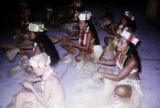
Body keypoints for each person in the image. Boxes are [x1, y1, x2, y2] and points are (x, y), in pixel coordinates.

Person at [94, 29, 143, 108]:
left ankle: (121, 92)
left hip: (131, 84)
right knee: (100, 71)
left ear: (128, 47)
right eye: (119, 41)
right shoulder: (120, 51)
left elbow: (118, 77)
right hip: (120, 77)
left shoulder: (132, 61)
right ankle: (114, 88)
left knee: (119, 90)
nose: (118, 44)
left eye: (122, 43)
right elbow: (114, 61)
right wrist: (100, 61)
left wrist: (103, 74)